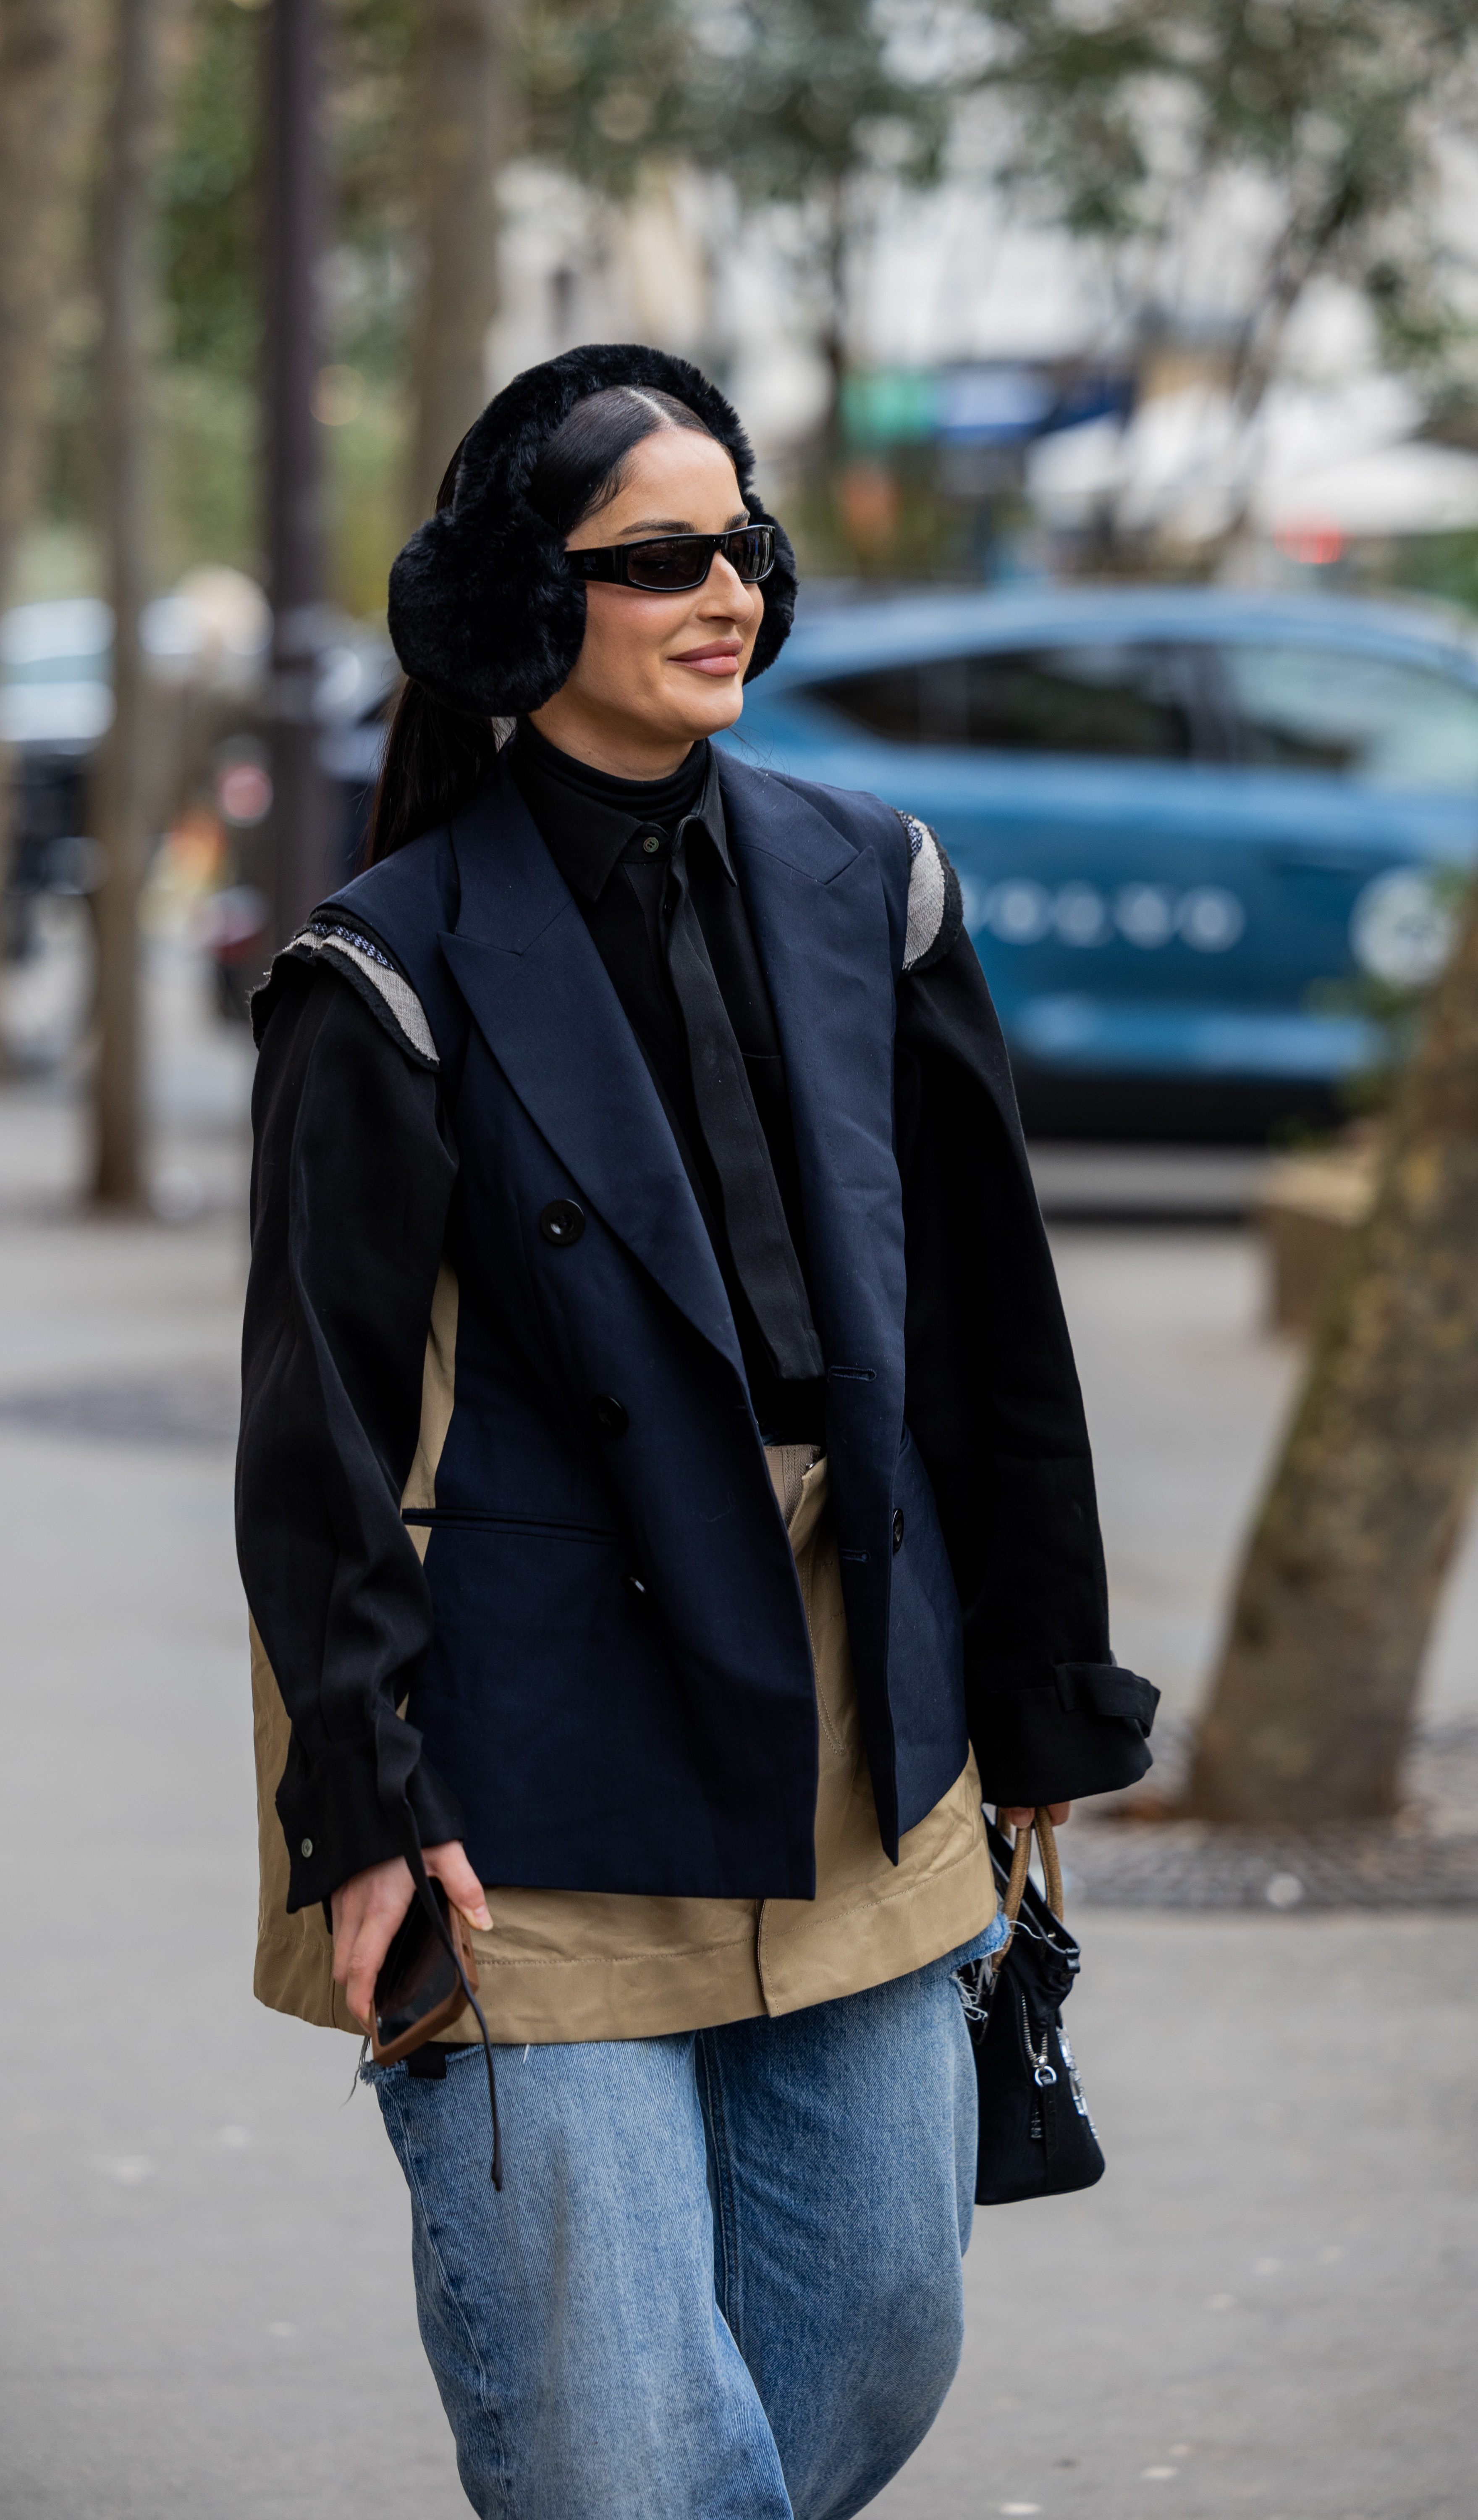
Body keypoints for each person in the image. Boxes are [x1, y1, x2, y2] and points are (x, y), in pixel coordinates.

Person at [236, 343, 1157, 2520]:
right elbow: (320, 1437)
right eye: (663, 557)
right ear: (518, 611)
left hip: (863, 1729)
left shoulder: (875, 881)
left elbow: (997, 1340)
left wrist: (1031, 1706)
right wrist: (366, 1801)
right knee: (625, 2454)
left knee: (880, 2336)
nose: (726, 586)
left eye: (744, 544)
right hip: (519, 1763)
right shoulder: (383, 973)